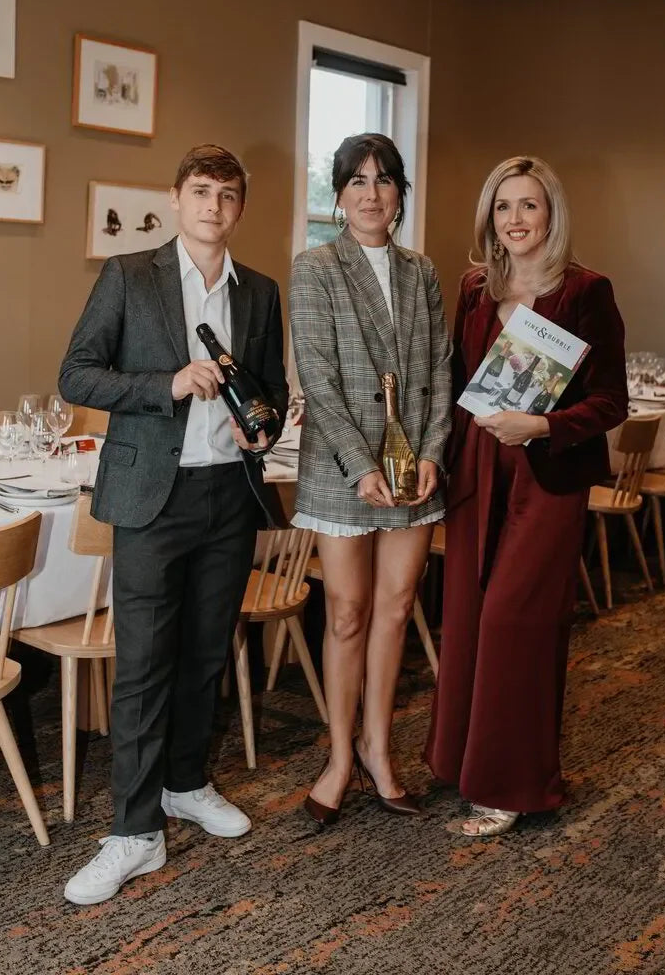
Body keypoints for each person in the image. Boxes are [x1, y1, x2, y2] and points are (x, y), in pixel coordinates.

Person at [59, 144, 287, 903]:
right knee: (144, 666)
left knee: (204, 655)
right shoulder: (130, 276)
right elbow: (77, 375)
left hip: (229, 495)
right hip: (152, 497)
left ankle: (187, 782)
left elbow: (273, 391)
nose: (212, 206)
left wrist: (267, 428)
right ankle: (133, 831)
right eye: (200, 192)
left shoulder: (258, 291)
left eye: (226, 195)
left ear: (239, 208)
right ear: (175, 198)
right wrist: (168, 382)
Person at [425, 156, 628, 837]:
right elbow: (456, 378)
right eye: (502, 206)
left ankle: (512, 785)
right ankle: (461, 763)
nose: (514, 219)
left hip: (544, 478)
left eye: (528, 206)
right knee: (468, 618)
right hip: (476, 471)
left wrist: (541, 424)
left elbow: (610, 401)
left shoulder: (584, 291)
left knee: (515, 625)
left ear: (550, 214)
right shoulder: (475, 287)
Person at [289, 133, 451, 825]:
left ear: (399, 195)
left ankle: (379, 750)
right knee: (347, 613)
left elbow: (443, 372)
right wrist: (360, 466)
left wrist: (434, 451)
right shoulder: (315, 268)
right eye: (356, 181)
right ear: (338, 194)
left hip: (414, 468)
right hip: (341, 469)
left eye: (384, 180)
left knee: (394, 609)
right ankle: (336, 757)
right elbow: (318, 382)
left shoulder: (423, 272)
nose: (371, 192)